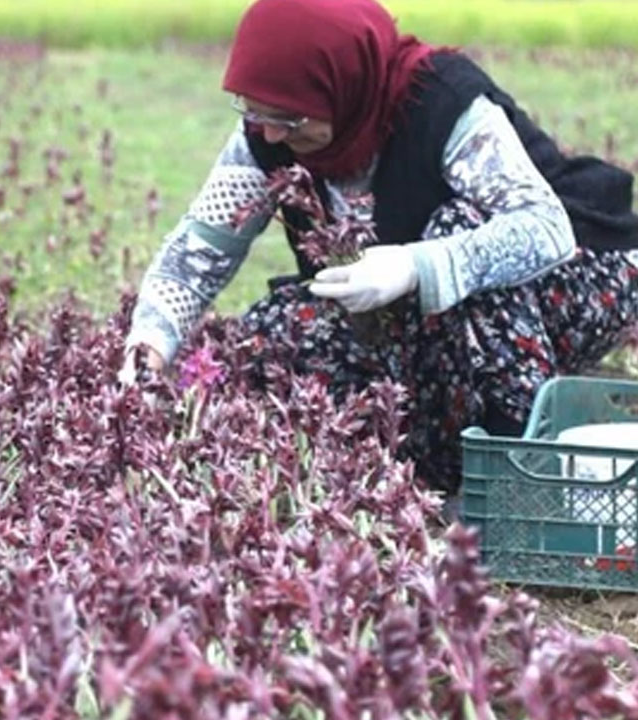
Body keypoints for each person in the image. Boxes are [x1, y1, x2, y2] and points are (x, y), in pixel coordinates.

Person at [122, 0, 638, 494]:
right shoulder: (268, 131)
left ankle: (513, 469)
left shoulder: (442, 106)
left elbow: (543, 229)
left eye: (291, 119)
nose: (272, 133)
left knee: (457, 227)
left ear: (342, 87)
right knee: (271, 334)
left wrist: (414, 264)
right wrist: (150, 343)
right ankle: (429, 457)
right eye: (257, 113)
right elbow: (200, 248)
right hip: (425, 309)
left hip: (581, 273)